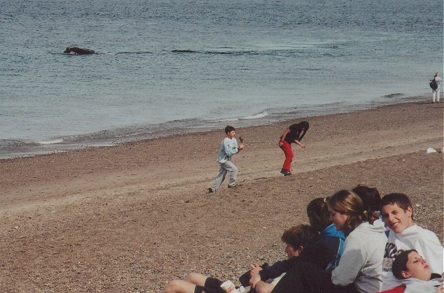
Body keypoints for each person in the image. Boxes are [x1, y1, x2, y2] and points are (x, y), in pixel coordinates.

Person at [270, 190, 386, 293]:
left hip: (362, 290)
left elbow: (342, 279)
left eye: (333, 214)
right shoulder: (372, 229)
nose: (330, 219)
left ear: (347, 213)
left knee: (302, 271)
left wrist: (328, 272)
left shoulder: (357, 237)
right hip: (376, 287)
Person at [162, 224, 318, 293]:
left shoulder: (298, 272)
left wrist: (258, 277)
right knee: (192, 276)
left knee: (173, 286)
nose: (285, 249)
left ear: (300, 249)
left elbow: (266, 290)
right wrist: (261, 272)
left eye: (289, 246)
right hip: (238, 290)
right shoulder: (292, 265)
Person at [249, 198, 346, 292]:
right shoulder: (338, 235)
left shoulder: (328, 242)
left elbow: (296, 262)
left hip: (332, 285)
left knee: (300, 269)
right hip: (337, 282)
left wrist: (261, 274)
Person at [380, 193, 444, 291]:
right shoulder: (388, 234)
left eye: (395, 212)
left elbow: (438, 275)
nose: (391, 219)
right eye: (386, 215)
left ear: (409, 211)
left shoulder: (423, 237)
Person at [208, 125, 245, 193]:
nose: (234, 134)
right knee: (234, 169)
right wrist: (238, 149)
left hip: (227, 159)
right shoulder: (225, 141)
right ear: (228, 133)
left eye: (234, 132)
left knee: (222, 175)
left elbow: (234, 150)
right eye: (232, 132)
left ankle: (213, 189)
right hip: (223, 160)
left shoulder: (234, 140)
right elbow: (228, 152)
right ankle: (231, 185)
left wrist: (239, 148)